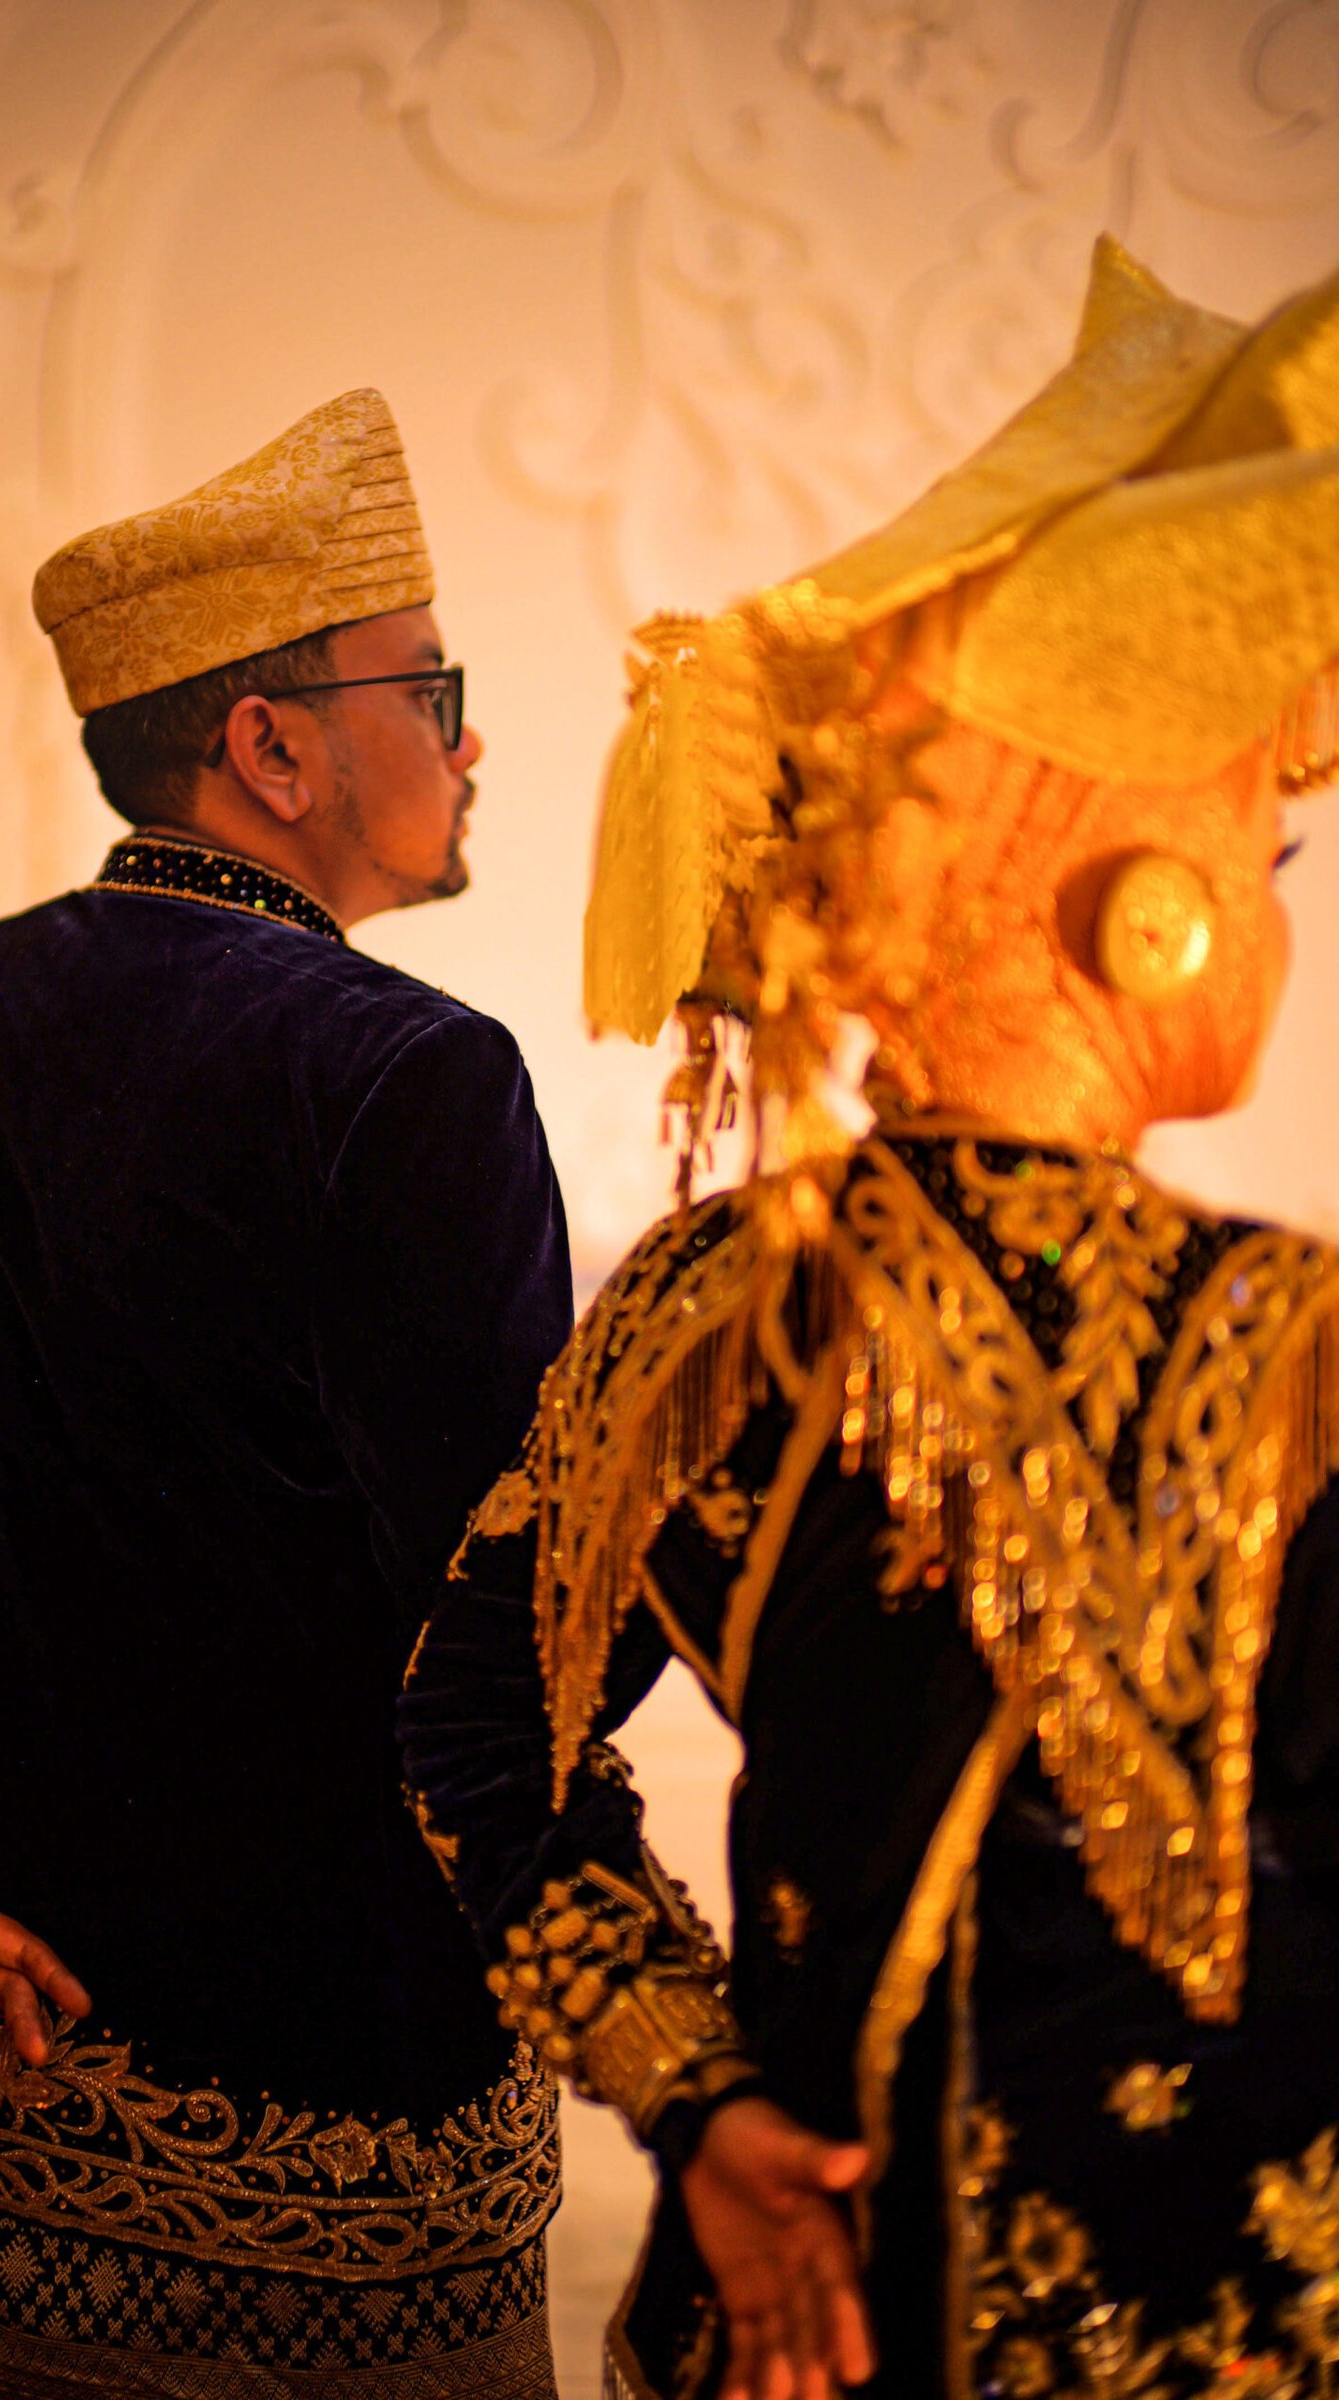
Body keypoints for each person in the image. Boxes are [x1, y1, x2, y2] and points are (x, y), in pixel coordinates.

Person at [400, 239, 1339, 2400]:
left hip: (794, 2309)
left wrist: (694, 2095)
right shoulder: (1297, 1344)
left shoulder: (700, 1310)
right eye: (1266, 862)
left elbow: (468, 1739)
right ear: (1146, 906)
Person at [0, 388, 571, 2397]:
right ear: (270, 748)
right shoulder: (410, 1080)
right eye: (430, 691)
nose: (468, 743)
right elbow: (527, 1647)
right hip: (344, 2189)